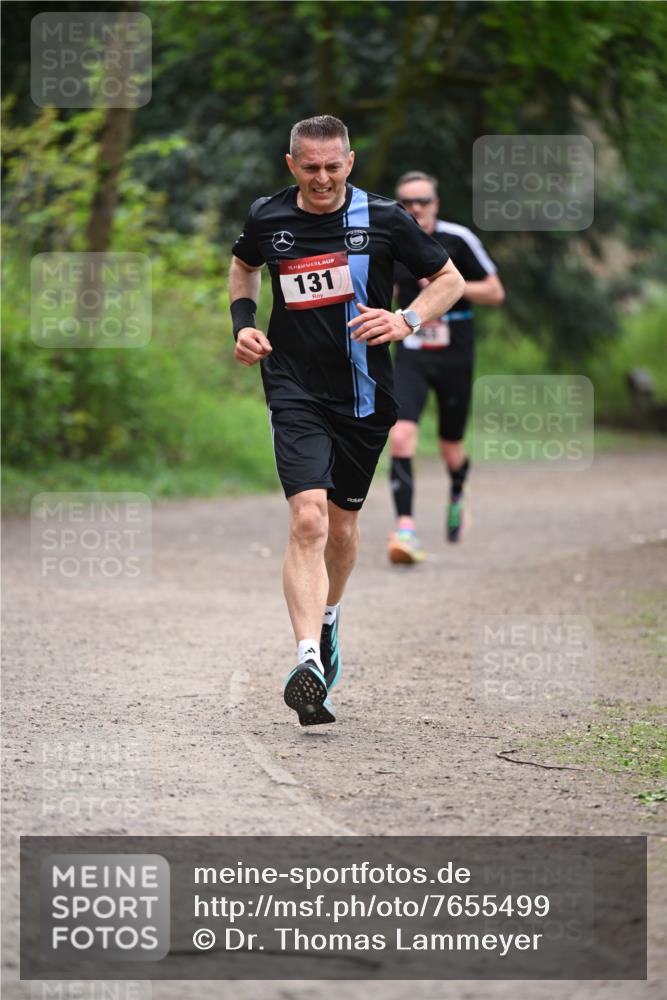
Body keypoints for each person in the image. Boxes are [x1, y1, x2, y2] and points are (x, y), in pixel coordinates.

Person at [229, 118, 464, 725]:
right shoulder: (268, 216)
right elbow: (244, 265)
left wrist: (406, 320)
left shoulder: (383, 218)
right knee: (308, 518)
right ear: (291, 164)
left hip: (364, 395)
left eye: (333, 166)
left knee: (340, 527)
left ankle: (329, 618)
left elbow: (449, 280)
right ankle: (307, 658)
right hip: (294, 385)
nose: (322, 178)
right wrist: (243, 324)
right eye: (310, 167)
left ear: (350, 162)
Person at [387, 171, 505, 565]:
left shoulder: (458, 239)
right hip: (412, 352)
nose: (415, 208)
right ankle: (405, 529)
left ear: (435, 204)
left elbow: (495, 291)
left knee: (450, 446)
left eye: (423, 201)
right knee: (401, 436)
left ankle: (457, 489)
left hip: (455, 354)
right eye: (407, 202)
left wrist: (447, 286)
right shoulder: (392, 240)